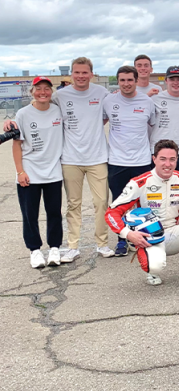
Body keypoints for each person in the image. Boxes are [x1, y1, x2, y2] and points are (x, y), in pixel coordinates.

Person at [105, 140, 179, 288]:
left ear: (177, 160)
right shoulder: (139, 183)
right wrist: (128, 234)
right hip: (149, 238)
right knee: (155, 266)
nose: (167, 164)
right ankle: (151, 269)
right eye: (162, 159)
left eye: (172, 159)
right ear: (154, 159)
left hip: (173, 234)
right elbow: (112, 213)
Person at [54, 57, 113, 260]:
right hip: (70, 158)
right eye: (77, 72)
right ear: (71, 74)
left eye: (84, 72)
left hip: (97, 156)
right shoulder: (60, 95)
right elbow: (39, 105)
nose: (81, 76)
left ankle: (102, 243)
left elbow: (111, 112)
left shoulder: (101, 93)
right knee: (73, 203)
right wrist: (13, 120)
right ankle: (72, 246)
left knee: (101, 201)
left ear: (91, 74)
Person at [103, 65, 156, 256]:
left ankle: (144, 236)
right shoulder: (109, 101)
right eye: (122, 80)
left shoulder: (147, 101)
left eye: (129, 80)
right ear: (118, 81)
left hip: (142, 160)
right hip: (117, 160)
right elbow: (98, 122)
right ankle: (122, 240)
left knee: (144, 201)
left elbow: (153, 124)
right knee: (120, 202)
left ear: (136, 81)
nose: (126, 84)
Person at [12, 77, 64, 268]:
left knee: (54, 213)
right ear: (32, 91)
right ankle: (34, 250)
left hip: (53, 172)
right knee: (29, 214)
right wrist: (20, 171)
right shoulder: (23, 113)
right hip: (30, 172)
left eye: (47, 89)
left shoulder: (58, 110)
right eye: (38, 89)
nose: (43, 92)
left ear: (52, 91)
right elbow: (16, 145)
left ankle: (55, 248)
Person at [150, 66, 179, 173]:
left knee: (177, 188)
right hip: (158, 151)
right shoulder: (155, 98)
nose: (175, 83)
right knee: (156, 188)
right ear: (166, 81)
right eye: (172, 79)